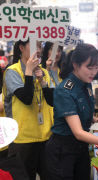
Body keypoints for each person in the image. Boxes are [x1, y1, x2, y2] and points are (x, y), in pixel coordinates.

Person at [45, 44, 98, 180]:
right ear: (76, 65)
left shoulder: (86, 83)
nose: (93, 72)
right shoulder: (64, 91)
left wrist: (97, 120)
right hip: (63, 151)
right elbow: (78, 133)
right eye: (89, 67)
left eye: (96, 67)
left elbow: (80, 109)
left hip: (81, 148)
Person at [2, 39, 54, 180]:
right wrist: (29, 72)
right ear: (21, 48)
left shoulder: (43, 71)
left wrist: (43, 81)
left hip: (45, 137)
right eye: (34, 46)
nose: (38, 49)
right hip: (21, 140)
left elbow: (52, 101)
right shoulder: (12, 72)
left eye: (40, 45)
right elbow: (26, 98)